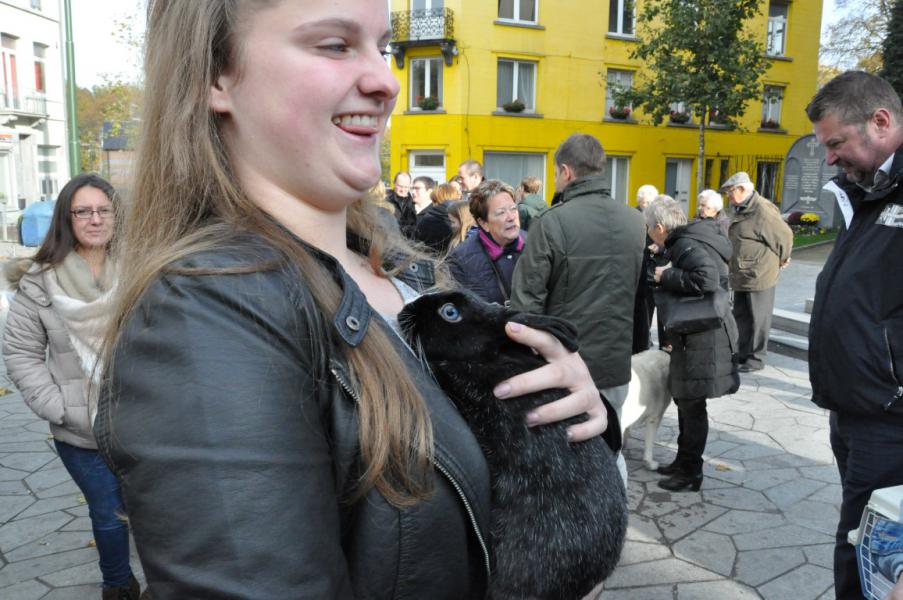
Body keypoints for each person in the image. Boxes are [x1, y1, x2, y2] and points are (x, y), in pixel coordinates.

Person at [93, 2, 609, 598]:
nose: (387, 81)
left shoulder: (399, 267)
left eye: (382, 47)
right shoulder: (205, 315)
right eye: (335, 45)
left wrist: (575, 414)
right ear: (216, 76)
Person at [2, 174, 142, 600]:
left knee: (156, 513)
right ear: (67, 218)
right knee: (108, 513)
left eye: (104, 210)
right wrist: (59, 405)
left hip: (145, 421)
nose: (95, 219)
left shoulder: (144, 267)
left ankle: (167, 582)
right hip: (79, 430)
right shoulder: (39, 282)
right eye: (83, 211)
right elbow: (20, 353)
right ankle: (118, 587)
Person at [805, 70, 903, 599]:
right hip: (853, 406)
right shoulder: (868, 188)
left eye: (836, 142)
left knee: (867, 548)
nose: (829, 157)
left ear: (881, 122)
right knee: (859, 536)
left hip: (889, 416)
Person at [511, 133, 646, 414]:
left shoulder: (551, 222)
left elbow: (526, 301)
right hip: (615, 364)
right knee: (611, 443)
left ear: (566, 171)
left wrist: (526, 360)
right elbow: (639, 294)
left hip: (566, 366)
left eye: (556, 173)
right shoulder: (635, 220)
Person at [644, 196, 740, 492]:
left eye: (649, 227)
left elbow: (707, 278)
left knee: (692, 404)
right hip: (700, 334)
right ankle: (684, 461)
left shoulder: (686, 245)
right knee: (687, 401)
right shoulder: (685, 240)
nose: (647, 232)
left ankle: (690, 472)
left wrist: (666, 274)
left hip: (700, 338)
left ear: (660, 227)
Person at [720, 171, 793, 373]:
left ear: (742, 189)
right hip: (742, 272)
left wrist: (783, 259)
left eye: (730, 191)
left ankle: (756, 359)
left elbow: (784, 236)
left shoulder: (763, 210)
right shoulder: (740, 207)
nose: (728, 195)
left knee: (758, 318)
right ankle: (742, 354)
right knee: (741, 315)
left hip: (759, 273)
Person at [447, 179, 525, 305]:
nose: (511, 217)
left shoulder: (536, 244)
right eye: (501, 212)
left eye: (513, 208)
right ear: (483, 223)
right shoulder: (461, 259)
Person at [633, 184, 660, 354]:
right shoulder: (635, 214)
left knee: (653, 301)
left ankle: (648, 335)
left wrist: (659, 246)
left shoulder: (658, 215)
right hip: (641, 260)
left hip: (655, 261)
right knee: (643, 302)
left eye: (649, 202)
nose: (646, 205)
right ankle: (644, 336)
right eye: (643, 202)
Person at [413, 182, 459, 254]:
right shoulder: (462, 218)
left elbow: (416, 246)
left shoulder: (427, 221)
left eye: (434, 201)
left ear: (437, 201)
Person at [387, 171, 417, 236]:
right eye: (400, 186)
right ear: (394, 183)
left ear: (410, 185)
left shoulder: (415, 202)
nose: (403, 190)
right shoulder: (385, 199)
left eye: (406, 187)